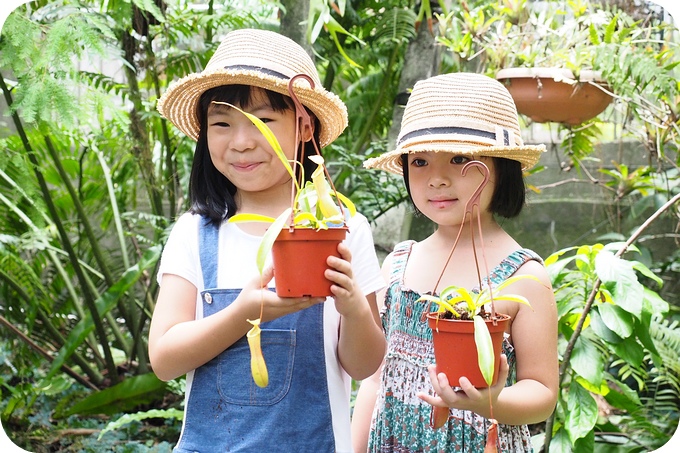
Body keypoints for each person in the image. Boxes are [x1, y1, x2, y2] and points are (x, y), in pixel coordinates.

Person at [148, 28, 385, 452]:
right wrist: (244, 312)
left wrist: (353, 309)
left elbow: (365, 365)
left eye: (263, 121)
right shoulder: (196, 232)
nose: (241, 142)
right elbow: (164, 359)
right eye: (222, 123)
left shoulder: (345, 228)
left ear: (304, 125)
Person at [352, 72, 559, 452]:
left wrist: (488, 402)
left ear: (501, 167)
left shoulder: (523, 276)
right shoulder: (398, 264)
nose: (437, 179)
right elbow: (374, 380)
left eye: (460, 158)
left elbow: (542, 391)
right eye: (420, 161)